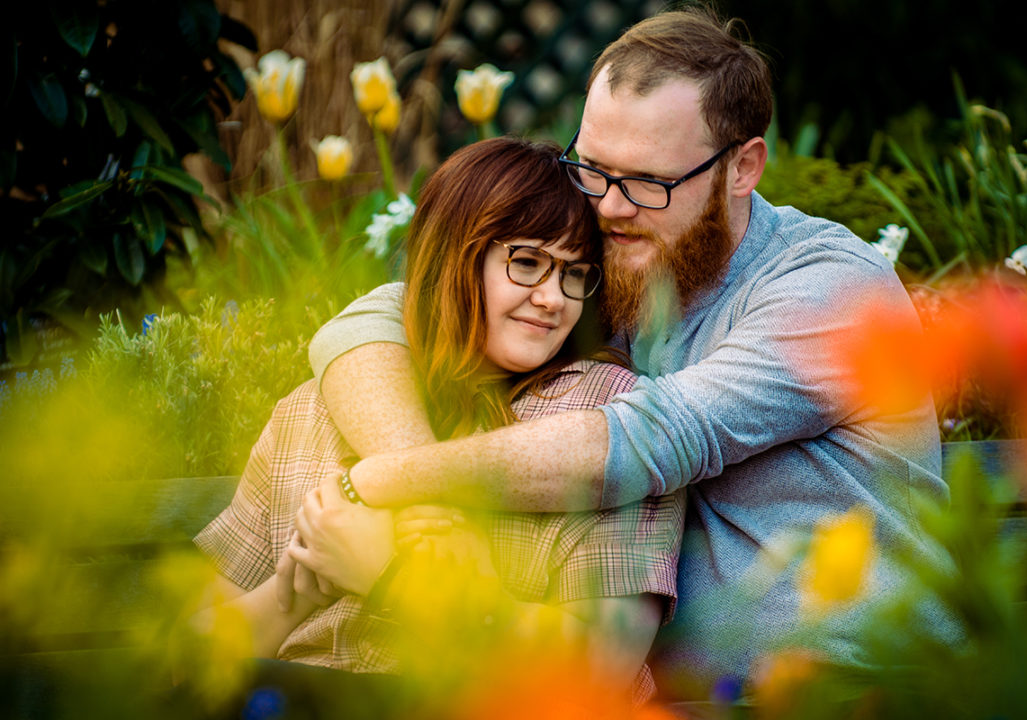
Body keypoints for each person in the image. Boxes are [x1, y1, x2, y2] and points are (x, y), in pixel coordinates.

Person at [298, 6, 949, 701]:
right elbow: (378, 320)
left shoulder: (828, 286)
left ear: (742, 167)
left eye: (646, 181)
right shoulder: (622, 255)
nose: (607, 207)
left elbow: (649, 441)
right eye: (593, 168)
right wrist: (430, 525)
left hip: (855, 690)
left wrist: (388, 484)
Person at [184, 137, 684, 709]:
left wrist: (397, 577)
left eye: (575, 274)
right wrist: (299, 589)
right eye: (526, 263)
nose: (553, 299)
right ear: (451, 258)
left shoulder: (611, 424)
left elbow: (599, 671)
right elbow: (187, 660)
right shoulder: (312, 413)